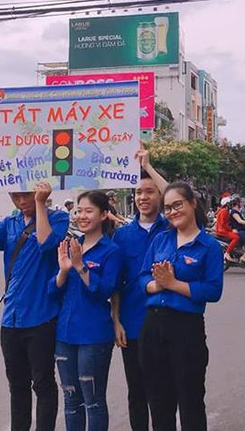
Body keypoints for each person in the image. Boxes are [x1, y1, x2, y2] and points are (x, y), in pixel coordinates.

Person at [0, 179, 70, 431]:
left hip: (42, 316)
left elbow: (47, 244)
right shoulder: (10, 224)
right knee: (17, 385)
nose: (22, 201)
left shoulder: (58, 219)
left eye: (26, 195)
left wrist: (40, 204)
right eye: (16, 197)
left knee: (43, 383)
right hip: (11, 318)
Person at [138, 182, 224, 431]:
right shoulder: (160, 240)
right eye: (168, 208)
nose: (173, 212)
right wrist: (157, 285)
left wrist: (174, 284)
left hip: (186, 330)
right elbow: (142, 278)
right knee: (158, 400)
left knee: (190, 400)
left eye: (178, 205)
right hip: (153, 326)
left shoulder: (208, 246)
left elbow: (212, 290)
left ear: (192, 204)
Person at [49, 191, 121, 431]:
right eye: (79, 211)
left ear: (103, 215)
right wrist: (62, 270)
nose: (82, 216)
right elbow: (52, 291)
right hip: (65, 335)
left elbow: (103, 291)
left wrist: (80, 267)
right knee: (71, 400)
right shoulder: (71, 246)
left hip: (94, 337)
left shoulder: (111, 251)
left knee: (93, 401)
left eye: (89, 211)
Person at [111, 149, 169, 431]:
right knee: (137, 392)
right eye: (138, 192)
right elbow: (116, 284)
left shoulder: (171, 228)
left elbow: (177, 197)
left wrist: (149, 167)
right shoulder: (121, 236)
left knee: (162, 393)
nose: (143, 197)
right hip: (132, 325)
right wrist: (116, 321)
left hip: (166, 323)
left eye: (150, 191)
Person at [213, 197, 240, 263]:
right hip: (222, 231)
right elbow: (223, 224)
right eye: (230, 203)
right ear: (227, 204)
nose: (231, 205)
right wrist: (231, 230)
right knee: (236, 237)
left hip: (222, 230)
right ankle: (227, 253)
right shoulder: (224, 211)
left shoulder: (224, 211)